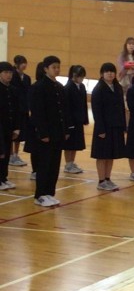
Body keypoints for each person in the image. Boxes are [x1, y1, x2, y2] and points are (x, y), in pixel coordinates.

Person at [29, 55, 70, 207]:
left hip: (58, 133)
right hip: (46, 133)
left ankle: (49, 193)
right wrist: (43, 133)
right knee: (44, 165)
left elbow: (63, 111)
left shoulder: (59, 87)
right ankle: (39, 195)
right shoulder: (39, 87)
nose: (57, 70)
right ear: (46, 69)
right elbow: (37, 112)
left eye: (58, 67)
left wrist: (66, 130)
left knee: (54, 164)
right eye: (54, 67)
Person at [91, 62, 126, 192]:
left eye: (112, 71)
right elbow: (96, 111)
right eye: (107, 71)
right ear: (102, 74)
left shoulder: (118, 88)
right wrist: (100, 129)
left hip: (115, 126)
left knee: (111, 154)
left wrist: (123, 125)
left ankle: (107, 178)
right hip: (103, 127)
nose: (110, 74)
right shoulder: (98, 89)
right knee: (102, 155)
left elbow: (121, 108)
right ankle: (101, 181)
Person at [63, 65, 89, 174]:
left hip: (79, 119)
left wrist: (85, 118)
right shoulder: (68, 88)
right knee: (69, 144)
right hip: (70, 120)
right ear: (74, 75)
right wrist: (68, 123)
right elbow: (66, 107)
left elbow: (84, 104)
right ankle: (68, 164)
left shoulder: (82, 87)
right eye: (80, 76)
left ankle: (72, 162)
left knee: (75, 144)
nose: (81, 78)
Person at [0, 61, 21, 191]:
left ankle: (3, 177)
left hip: (9, 126)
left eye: (10, 73)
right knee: (1, 153)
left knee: (7, 153)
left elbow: (16, 110)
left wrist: (17, 128)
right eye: (5, 72)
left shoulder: (13, 90)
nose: (8, 75)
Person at [9, 55, 30, 167]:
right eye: (22, 63)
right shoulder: (11, 76)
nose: (24, 65)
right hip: (14, 108)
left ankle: (16, 155)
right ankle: (10, 155)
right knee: (12, 133)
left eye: (25, 62)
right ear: (16, 64)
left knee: (20, 134)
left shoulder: (26, 78)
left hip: (23, 108)